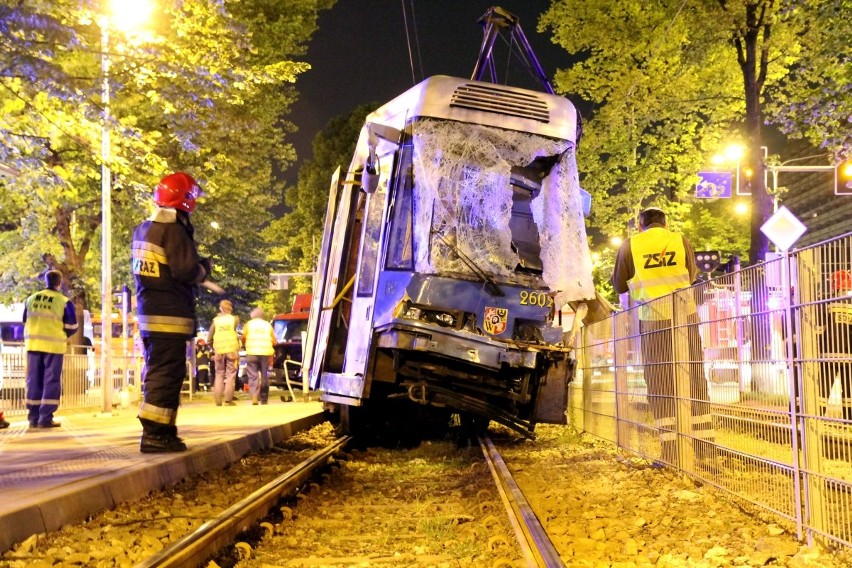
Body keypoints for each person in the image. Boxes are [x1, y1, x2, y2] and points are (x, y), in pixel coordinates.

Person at [611, 207, 715, 470]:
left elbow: (619, 285)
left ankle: (672, 452)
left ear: (640, 225)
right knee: (694, 378)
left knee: (660, 384)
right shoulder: (680, 241)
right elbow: (690, 276)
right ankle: (706, 451)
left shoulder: (630, 245)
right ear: (665, 224)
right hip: (686, 318)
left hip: (654, 320)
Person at [132, 172, 210, 453]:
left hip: (149, 313)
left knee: (158, 369)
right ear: (186, 199)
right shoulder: (174, 230)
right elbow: (185, 269)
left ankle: (162, 430)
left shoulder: (144, 228)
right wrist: (204, 269)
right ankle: (156, 434)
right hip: (170, 315)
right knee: (168, 372)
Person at [23, 269, 78, 429]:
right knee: (51, 381)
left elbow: (25, 320)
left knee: (33, 380)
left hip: (33, 345)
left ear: (45, 281)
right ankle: (45, 418)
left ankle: (33, 418)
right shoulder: (63, 301)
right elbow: (72, 326)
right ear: (59, 283)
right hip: (54, 347)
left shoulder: (31, 299)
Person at [818, 269, 852, 424]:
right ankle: (849, 420)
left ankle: (817, 418)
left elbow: (819, 328)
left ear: (834, 285)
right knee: (849, 390)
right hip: (848, 355)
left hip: (828, 353)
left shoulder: (826, 302)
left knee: (823, 389)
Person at [208, 299, 240, 406]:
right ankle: (228, 400)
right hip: (231, 350)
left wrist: (213, 347)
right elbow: (233, 331)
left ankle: (218, 401)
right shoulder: (235, 319)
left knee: (219, 374)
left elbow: (209, 339)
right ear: (230, 308)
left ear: (220, 308)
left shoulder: (215, 321)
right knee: (230, 375)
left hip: (219, 351)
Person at [242, 307, 276, 405]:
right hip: (265, 352)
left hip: (251, 352)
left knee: (253, 376)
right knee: (265, 375)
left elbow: (244, 337)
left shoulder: (248, 324)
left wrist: (245, 343)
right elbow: (274, 340)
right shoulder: (267, 325)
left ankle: (254, 396)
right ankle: (264, 398)